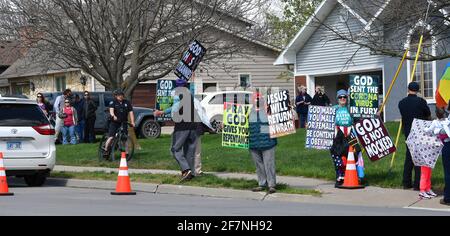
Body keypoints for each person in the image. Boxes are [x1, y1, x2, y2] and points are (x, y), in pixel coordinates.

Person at [154, 79, 201, 181]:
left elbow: (175, 110)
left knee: (175, 149)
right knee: (189, 151)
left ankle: (186, 169)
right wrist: (163, 112)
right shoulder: (190, 94)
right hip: (194, 126)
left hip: (182, 127)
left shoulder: (177, 94)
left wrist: (164, 113)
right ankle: (191, 174)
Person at [398, 82, 432, 190]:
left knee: (409, 157)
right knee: (419, 158)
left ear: (408, 89)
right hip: (419, 132)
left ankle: (406, 182)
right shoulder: (421, 102)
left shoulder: (401, 103)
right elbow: (428, 114)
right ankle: (417, 184)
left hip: (408, 132)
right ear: (417, 90)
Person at [330, 90, 365, 187]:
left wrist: (375, 115)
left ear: (347, 98)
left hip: (351, 134)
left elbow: (360, 120)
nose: (342, 99)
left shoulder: (351, 109)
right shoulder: (333, 109)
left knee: (356, 152)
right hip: (337, 136)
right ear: (337, 99)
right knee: (336, 154)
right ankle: (340, 177)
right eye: (340, 97)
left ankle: (359, 176)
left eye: (344, 97)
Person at [249, 91, 278, 194]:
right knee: (259, 165)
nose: (256, 100)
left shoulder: (269, 110)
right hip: (253, 143)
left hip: (268, 143)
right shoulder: (247, 112)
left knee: (269, 164)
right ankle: (262, 183)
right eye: (254, 99)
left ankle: (271, 185)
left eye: (258, 99)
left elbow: (278, 123)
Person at [420, 107, 450, 200]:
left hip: (441, 145)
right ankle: (423, 190)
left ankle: (427, 189)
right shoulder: (446, 121)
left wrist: (426, 129)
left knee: (429, 172)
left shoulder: (436, 122)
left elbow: (428, 130)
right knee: (426, 172)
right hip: (433, 147)